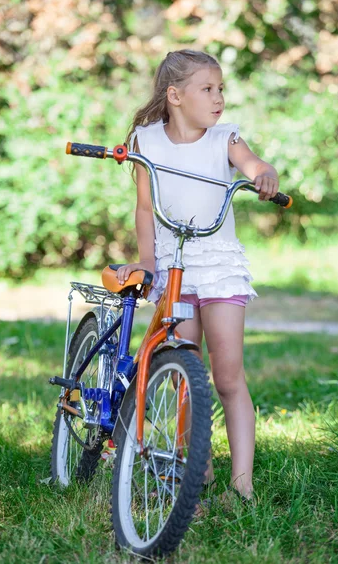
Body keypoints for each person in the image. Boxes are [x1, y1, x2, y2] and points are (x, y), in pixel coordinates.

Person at [116, 49, 279, 504]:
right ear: (175, 96)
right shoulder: (148, 141)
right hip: (174, 268)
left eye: (221, 89)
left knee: (228, 376)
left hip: (220, 266)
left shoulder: (224, 138)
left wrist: (265, 175)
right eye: (208, 89)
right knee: (184, 371)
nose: (218, 98)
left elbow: (255, 165)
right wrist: (148, 263)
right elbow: (145, 210)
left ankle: (241, 483)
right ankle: (197, 468)